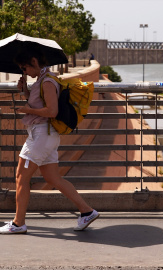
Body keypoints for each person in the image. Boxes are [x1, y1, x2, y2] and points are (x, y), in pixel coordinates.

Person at [0, 46, 99, 234]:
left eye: (25, 67)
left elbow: (51, 111)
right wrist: (25, 91)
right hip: (46, 136)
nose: (24, 72)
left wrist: (27, 110)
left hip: (41, 136)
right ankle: (87, 211)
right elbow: (41, 103)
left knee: (21, 177)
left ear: (34, 62)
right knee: (53, 178)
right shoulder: (43, 79)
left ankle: (18, 223)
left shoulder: (47, 82)